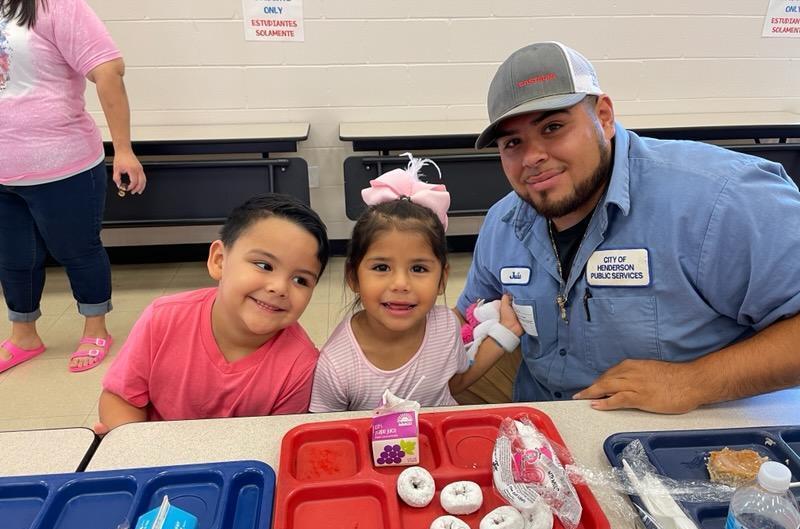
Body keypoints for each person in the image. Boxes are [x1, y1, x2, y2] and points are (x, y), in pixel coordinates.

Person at [458, 41, 800, 414]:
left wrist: (694, 381)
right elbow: (467, 317)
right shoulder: (503, 223)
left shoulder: (722, 199)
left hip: (688, 431)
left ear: (603, 117)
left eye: (553, 127)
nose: (533, 157)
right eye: (512, 142)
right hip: (539, 428)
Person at [94, 195, 329, 433]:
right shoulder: (163, 319)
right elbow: (120, 398)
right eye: (264, 265)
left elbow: (277, 440)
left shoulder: (301, 364)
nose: (279, 287)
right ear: (219, 261)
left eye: (301, 280)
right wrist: (131, 444)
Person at [310, 155, 522, 412]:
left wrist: (505, 333)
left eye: (418, 268)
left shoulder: (445, 327)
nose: (401, 284)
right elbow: (325, 432)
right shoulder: (336, 364)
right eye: (381, 267)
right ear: (353, 277)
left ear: (442, 279)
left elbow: (450, 385)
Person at [0, 0, 146, 374]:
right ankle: (23, 335)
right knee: (13, 258)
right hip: (4, 169)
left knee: (78, 250)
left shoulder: (57, 6)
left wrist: (124, 150)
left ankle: (96, 327)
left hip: (64, 163)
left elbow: (110, 70)